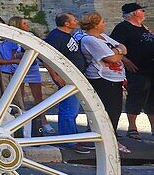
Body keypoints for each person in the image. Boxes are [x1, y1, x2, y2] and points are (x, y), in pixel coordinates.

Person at [78, 12, 129, 154]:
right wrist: (118, 52)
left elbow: (122, 47)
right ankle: (103, 140)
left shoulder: (102, 37)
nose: (104, 24)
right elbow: (110, 58)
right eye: (102, 22)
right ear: (95, 25)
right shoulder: (90, 40)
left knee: (115, 110)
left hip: (114, 78)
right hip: (102, 79)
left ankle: (110, 138)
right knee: (107, 110)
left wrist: (117, 51)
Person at [44, 12, 89, 151]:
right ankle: (69, 140)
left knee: (73, 108)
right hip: (67, 77)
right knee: (69, 109)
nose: (77, 21)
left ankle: (72, 137)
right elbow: (46, 57)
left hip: (74, 76)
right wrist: (55, 75)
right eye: (74, 20)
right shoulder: (56, 37)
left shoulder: (65, 36)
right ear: (66, 24)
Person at [110, 2, 154, 141]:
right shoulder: (123, 28)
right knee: (136, 96)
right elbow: (114, 45)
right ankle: (132, 127)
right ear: (135, 13)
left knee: (151, 99)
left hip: (150, 68)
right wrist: (125, 60)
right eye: (142, 10)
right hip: (136, 69)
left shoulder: (143, 28)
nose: (144, 12)